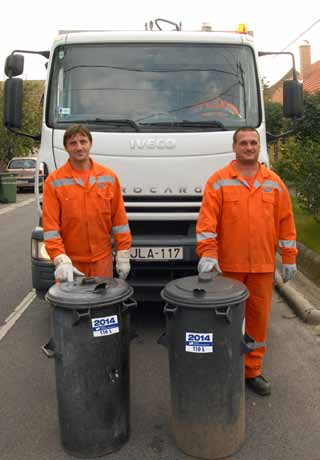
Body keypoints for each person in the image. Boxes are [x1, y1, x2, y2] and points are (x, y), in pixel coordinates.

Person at [196, 127, 297, 396]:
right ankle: (224, 368)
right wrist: (208, 253)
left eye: (253, 142)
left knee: (257, 322)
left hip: (262, 267)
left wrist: (289, 258)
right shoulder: (218, 181)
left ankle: (251, 371)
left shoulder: (274, 183)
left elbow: (286, 224)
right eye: (244, 143)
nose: (249, 147)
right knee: (224, 321)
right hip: (228, 267)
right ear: (235, 147)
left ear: (259, 146)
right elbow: (207, 224)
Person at [42, 124, 131, 282]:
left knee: (103, 305)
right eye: (73, 143)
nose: (79, 147)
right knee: (70, 306)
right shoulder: (54, 181)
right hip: (70, 264)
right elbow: (51, 228)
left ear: (90, 144)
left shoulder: (109, 177)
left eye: (83, 141)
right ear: (66, 148)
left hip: (102, 261)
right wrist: (60, 260)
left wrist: (123, 254)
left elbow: (119, 220)